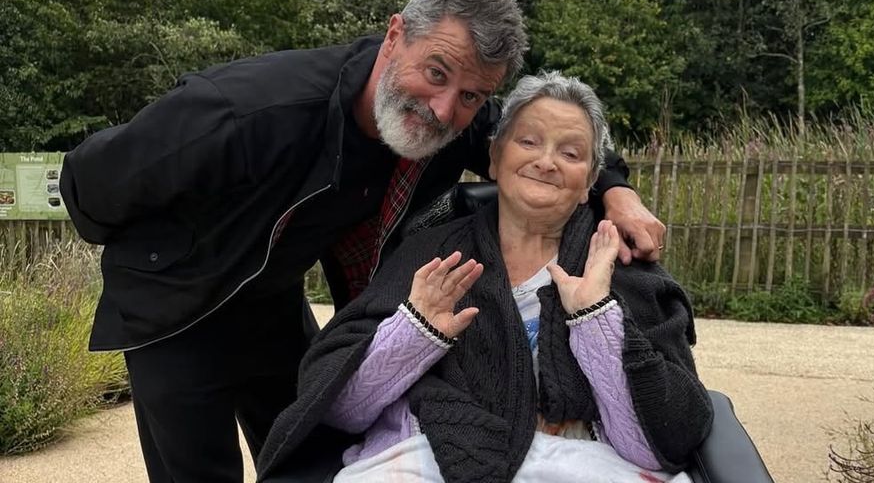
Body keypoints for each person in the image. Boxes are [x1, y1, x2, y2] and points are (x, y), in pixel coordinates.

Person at [59, 0, 667, 482]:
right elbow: (92, 184)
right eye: (436, 73)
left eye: (471, 95)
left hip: (270, 297)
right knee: (198, 471)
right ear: (396, 34)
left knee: (308, 444)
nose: (443, 109)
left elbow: (539, 138)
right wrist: (171, 256)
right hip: (173, 306)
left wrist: (618, 192)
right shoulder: (243, 112)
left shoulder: (453, 121)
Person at [256, 72, 713, 483]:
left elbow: (655, 445)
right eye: (528, 142)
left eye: (570, 152)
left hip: (583, 462)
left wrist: (596, 318)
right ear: (494, 159)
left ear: (590, 180)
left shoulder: (624, 268)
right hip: (430, 455)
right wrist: (416, 331)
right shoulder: (426, 253)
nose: (546, 161)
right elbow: (342, 410)